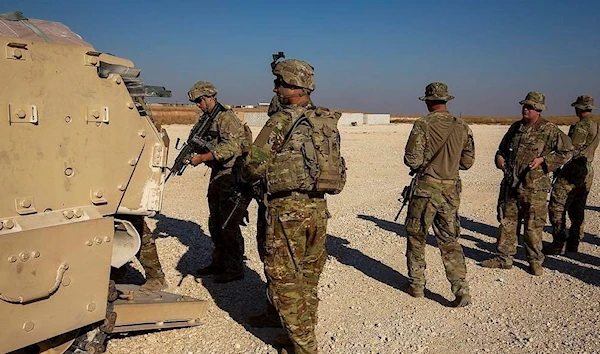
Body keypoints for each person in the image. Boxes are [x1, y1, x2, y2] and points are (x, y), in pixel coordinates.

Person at [242, 59, 341, 354]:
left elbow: (253, 166)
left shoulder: (282, 120)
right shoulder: (324, 121)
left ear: (294, 88)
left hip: (288, 213)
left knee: (284, 282)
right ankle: (296, 333)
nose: (275, 88)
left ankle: (305, 347)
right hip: (318, 210)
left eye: (279, 83)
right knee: (307, 279)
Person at [482, 91, 572, 275]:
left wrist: (545, 162)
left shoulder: (549, 130)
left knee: (533, 226)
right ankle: (503, 259)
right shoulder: (515, 128)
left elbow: (567, 151)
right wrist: (499, 158)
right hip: (511, 184)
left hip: (534, 188)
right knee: (507, 223)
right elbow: (501, 149)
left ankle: (535, 262)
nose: (525, 109)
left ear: (538, 110)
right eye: (524, 105)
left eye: (530, 107)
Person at [403, 82, 475, 307]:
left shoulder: (422, 124)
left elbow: (411, 159)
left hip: (426, 189)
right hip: (451, 190)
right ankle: (461, 289)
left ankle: (417, 285)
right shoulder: (462, 126)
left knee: (417, 236)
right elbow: (468, 162)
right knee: (450, 240)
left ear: (428, 101)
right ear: (446, 101)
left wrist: (426, 163)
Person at [188, 81, 250, 283]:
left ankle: (234, 267)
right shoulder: (208, 118)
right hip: (217, 174)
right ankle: (219, 262)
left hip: (230, 174)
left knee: (228, 224)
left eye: (199, 100)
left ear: (209, 97)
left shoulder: (226, 118)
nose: (198, 104)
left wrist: (204, 157)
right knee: (215, 222)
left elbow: (232, 147)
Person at [545, 95, 599, 255]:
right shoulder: (595, 125)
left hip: (574, 169)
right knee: (577, 207)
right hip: (587, 170)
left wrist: (552, 163)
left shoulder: (581, 126)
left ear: (579, 108)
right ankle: (573, 243)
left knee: (556, 205)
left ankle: (558, 243)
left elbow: (571, 149)